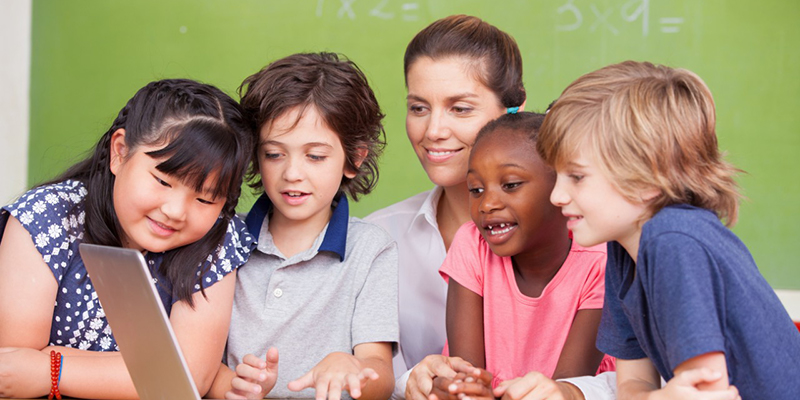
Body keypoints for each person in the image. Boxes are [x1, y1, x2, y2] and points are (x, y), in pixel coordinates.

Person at [538, 60, 799, 399]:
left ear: (647, 180)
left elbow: (707, 393)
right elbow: (634, 385)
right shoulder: (624, 248)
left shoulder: (672, 241)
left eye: (576, 177)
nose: (556, 195)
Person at [0, 79, 256, 399]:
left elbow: (186, 382)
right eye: (163, 181)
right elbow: (13, 366)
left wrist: (51, 369)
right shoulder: (46, 217)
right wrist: (158, 369)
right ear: (120, 152)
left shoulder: (216, 239)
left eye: (204, 199)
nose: (176, 211)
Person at [207, 52, 398, 400]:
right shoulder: (221, 239)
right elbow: (199, 360)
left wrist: (350, 368)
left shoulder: (371, 249)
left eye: (315, 156)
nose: (292, 173)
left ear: (354, 159)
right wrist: (234, 386)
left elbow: (380, 373)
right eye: (274, 154)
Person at [364, 15, 526, 400]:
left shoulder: (573, 238)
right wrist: (413, 383)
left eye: (460, 109)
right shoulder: (378, 238)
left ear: (514, 111)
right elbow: (374, 369)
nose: (433, 130)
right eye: (419, 108)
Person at [428, 112, 613, 400]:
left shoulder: (599, 264)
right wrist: (460, 388)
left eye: (511, 184)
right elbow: (468, 374)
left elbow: (562, 389)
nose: (487, 203)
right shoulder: (472, 245)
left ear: (560, 189)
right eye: (475, 189)